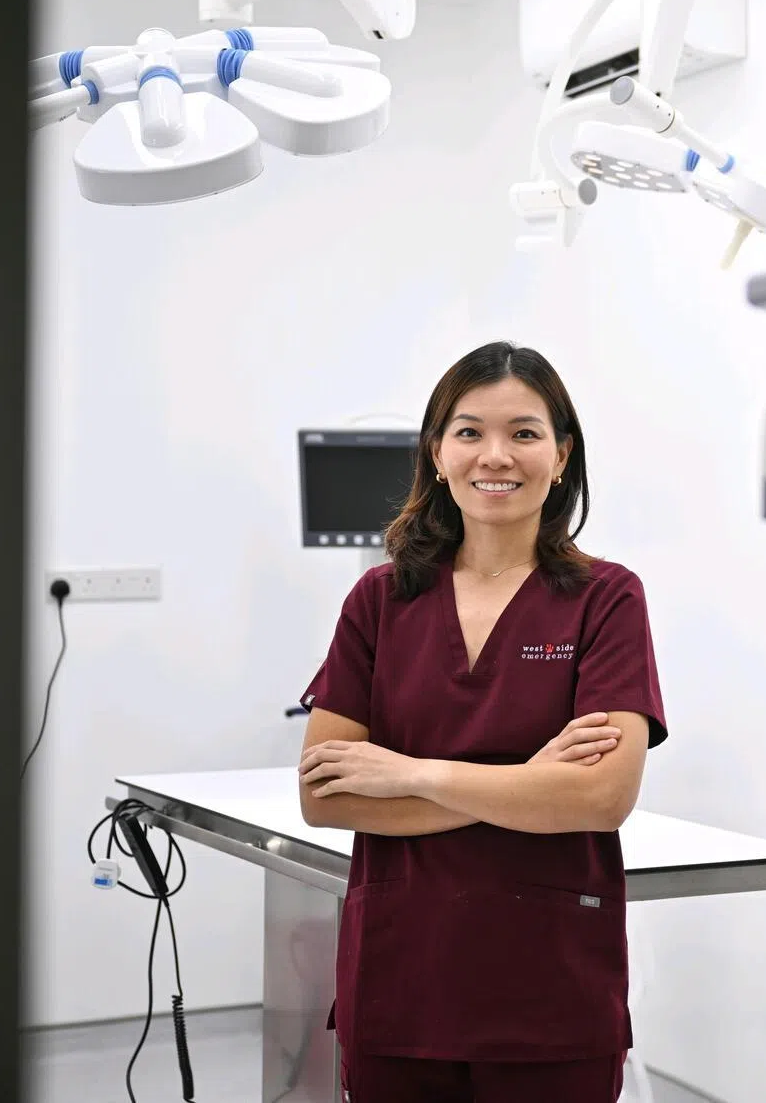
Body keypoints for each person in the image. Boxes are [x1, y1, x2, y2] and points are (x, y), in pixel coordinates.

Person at [297, 340, 668, 1103]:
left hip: (549, 988)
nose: (495, 455)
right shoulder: (380, 600)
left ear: (562, 456)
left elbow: (600, 798)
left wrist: (410, 773)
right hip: (401, 979)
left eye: (525, 433)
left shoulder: (607, 599)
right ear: (436, 453)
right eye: (469, 432)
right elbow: (325, 795)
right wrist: (528, 786)